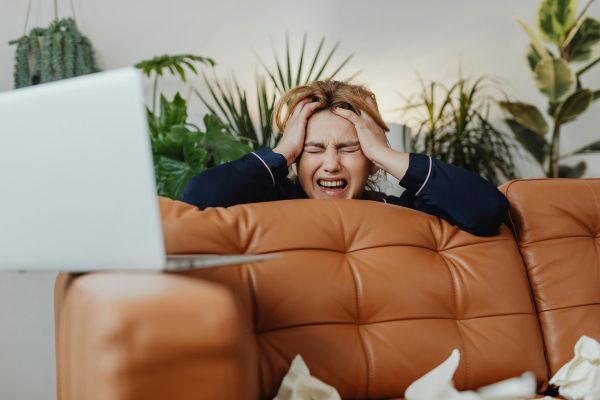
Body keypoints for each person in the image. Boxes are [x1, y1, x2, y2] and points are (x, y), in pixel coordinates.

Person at [181, 80, 508, 236]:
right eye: (314, 149)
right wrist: (281, 152)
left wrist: (385, 153)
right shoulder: (268, 204)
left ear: (370, 159)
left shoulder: (401, 213)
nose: (332, 163)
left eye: (350, 148)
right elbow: (198, 199)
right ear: (297, 157)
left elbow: (486, 210)